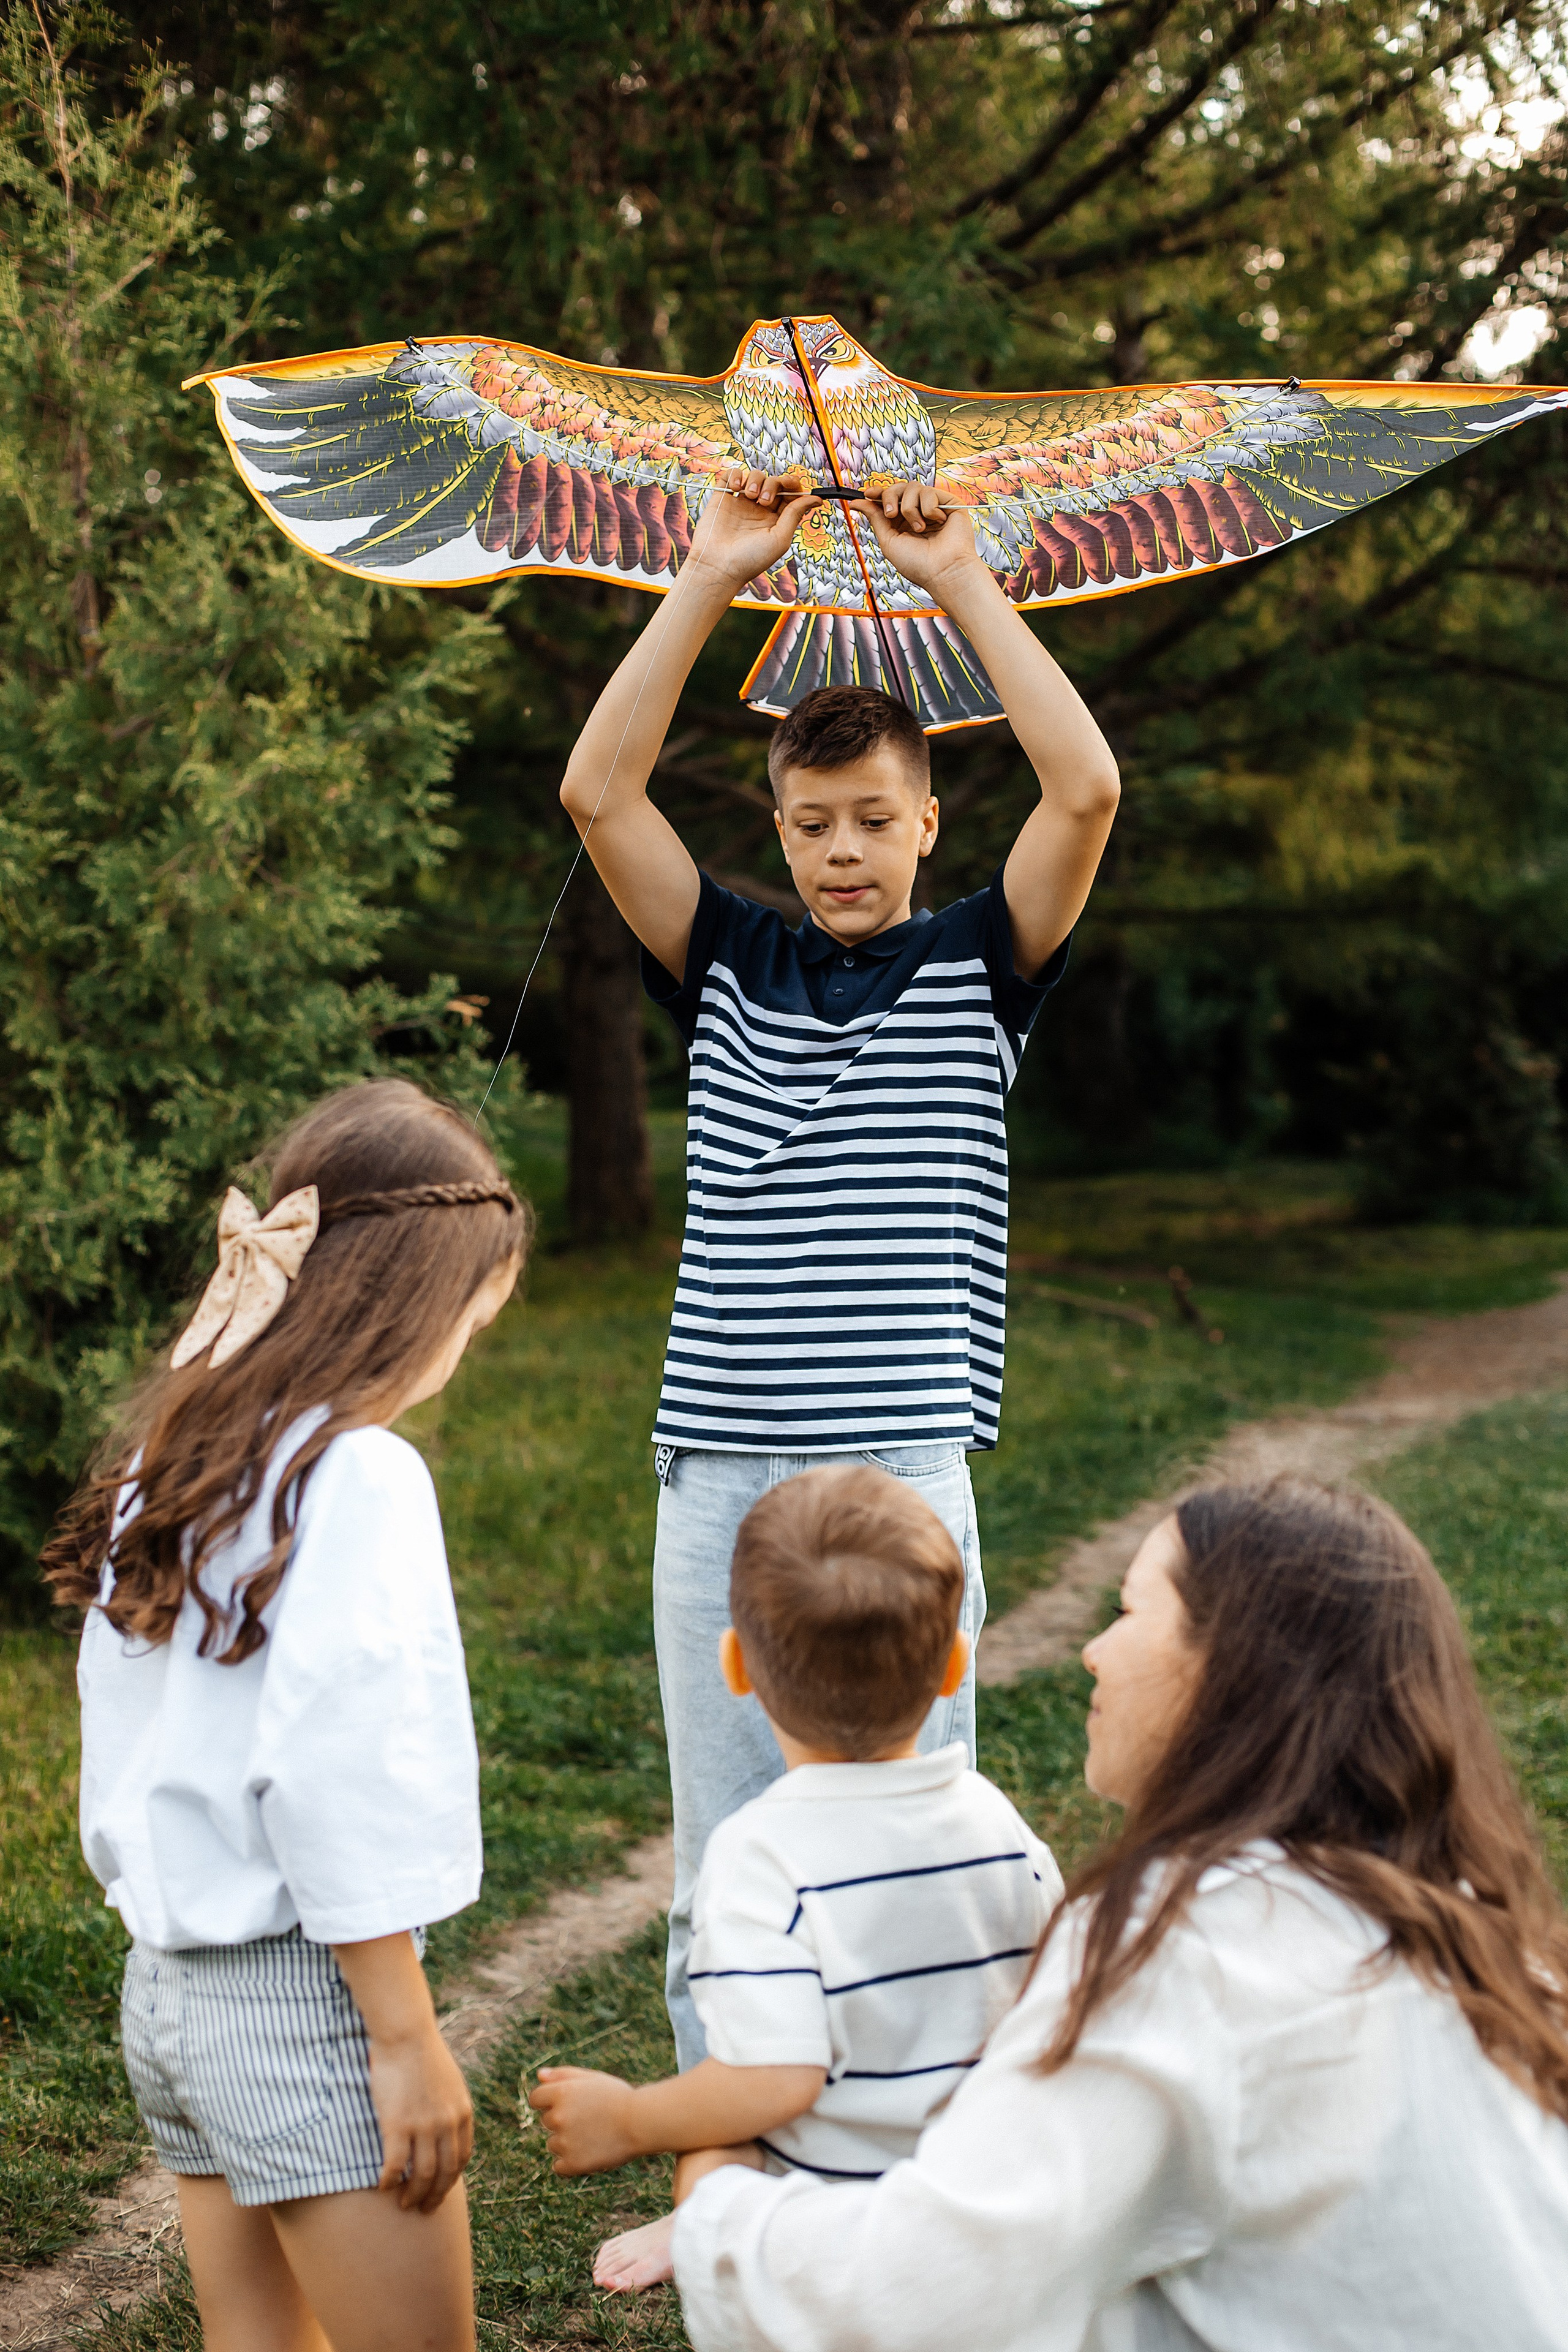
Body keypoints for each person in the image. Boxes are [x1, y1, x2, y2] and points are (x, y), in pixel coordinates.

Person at [559, 468, 1120, 2068]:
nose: (842, 851)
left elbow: (1082, 791)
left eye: (876, 819)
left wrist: (961, 584)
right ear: (781, 831)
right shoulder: (731, 955)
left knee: (908, 1846)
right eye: (813, 825)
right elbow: (601, 796)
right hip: (722, 1471)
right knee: (723, 1851)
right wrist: (718, 570)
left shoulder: (983, 962)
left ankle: (916, 2158)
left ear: (930, 821)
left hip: (897, 1470)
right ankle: (726, 2182)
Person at [671, 1476, 1568, 2351]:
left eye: (1130, 1613)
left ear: (1231, 1672)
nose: (1093, 1652)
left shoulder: (1198, 1950)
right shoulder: (1462, 1923)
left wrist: (716, 2194)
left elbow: (915, 2294)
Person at [43, 1079, 530, 2352]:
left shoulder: (183, 1447)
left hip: (169, 1994)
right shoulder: (357, 1472)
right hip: (301, 2002)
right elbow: (341, 1770)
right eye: (470, 1323)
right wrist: (407, 2036)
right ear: (410, 1304)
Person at [526, 1463, 1063, 2292]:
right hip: (985, 2238)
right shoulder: (1005, 1831)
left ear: (735, 1667)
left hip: (838, 2259)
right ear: (954, 1665)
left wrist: (630, 2118)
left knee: (719, 2144)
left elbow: (774, 2079)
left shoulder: (758, 1855)